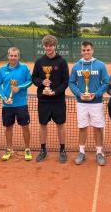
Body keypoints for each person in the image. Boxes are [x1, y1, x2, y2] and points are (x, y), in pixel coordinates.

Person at [69, 40, 110, 166]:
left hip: (96, 103)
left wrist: (95, 94)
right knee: (82, 128)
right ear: (81, 51)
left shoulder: (100, 65)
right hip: (81, 103)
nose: (86, 52)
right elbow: (71, 82)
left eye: (88, 50)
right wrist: (79, 94)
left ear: (92, 50)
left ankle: (99, 152)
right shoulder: (76, 66)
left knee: (98, 128)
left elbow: (106, 82)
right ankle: (81, 152)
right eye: (84, 50)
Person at [32, 35, 69, 163]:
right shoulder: (39, 62)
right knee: (42, 124)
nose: (48, 48)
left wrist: (55, 92)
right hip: (43, 100)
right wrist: (42, 82)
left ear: (55, 46)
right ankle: (43, 150)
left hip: (58, 100)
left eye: (51, 45)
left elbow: (65, 82)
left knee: (60, 125)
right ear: (44, 47)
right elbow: (34, 78)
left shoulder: (62, 61)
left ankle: (62, 150)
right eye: (46, 45)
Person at [0, 47, 33, 161]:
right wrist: (4, 98)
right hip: (7, 105)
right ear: (8, 56)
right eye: (11, 55)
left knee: (25, 126)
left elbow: (30, 81)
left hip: (21, 104)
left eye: (15, 56)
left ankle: (27, 149)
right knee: (8, 127)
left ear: (18, 56)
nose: (13, 58)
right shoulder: (2, 70)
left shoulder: (24, 68)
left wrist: (19, 88)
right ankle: (9, 149)